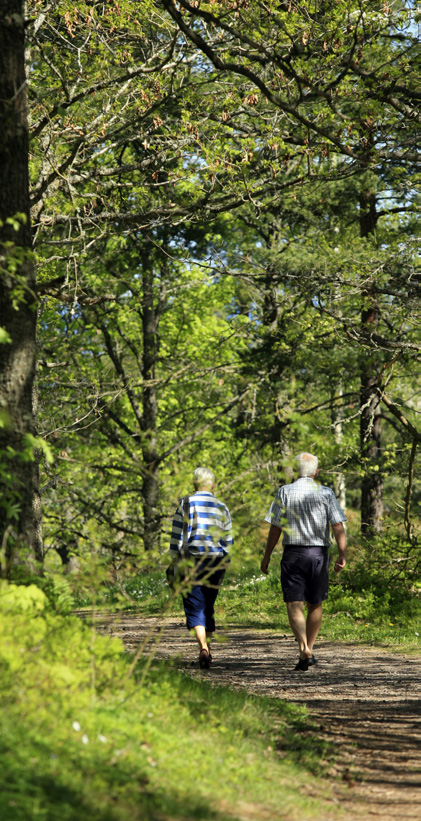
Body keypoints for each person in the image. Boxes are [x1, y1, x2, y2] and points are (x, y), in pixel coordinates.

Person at [261, 452, 347, 671]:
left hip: (293, 555)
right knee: (315, 603)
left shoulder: (284, 492)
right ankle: (308, 647)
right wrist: (342, 554)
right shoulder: (326, 493)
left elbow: (275, 526)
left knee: (294, 602)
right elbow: (337, 525)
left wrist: (267, 554)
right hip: (319, 554)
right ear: (316, 472)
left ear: (295, 471)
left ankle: (304, 649)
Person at [169, 467, 233, 669]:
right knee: (208, 603)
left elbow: (177, 535)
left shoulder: (186, 503)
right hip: (215, 560)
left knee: (194, 604)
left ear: (194, 485)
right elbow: (228, 539)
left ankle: (203, 647)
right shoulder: (221, 506)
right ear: (212, 486)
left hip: (192, 559)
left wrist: (174, 558)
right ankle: (208, 649)